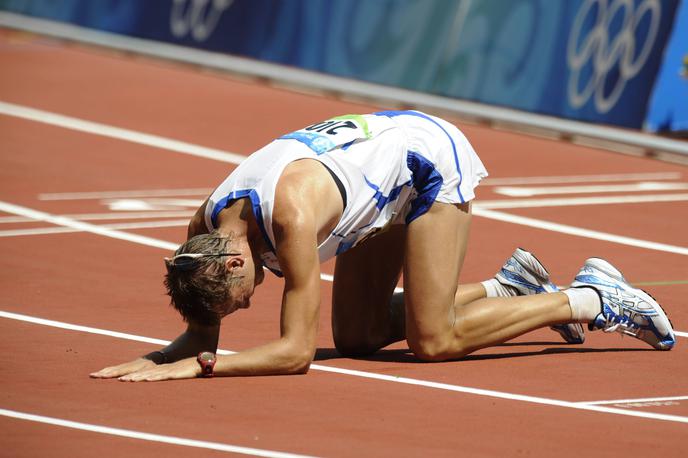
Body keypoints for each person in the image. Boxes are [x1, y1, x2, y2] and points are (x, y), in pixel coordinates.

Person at [90, 110, 676, 382]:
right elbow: (202, 331)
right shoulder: (204, 235)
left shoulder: (289, 220)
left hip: (423, 167)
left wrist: (205, 367)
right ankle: (509, 288)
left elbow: (294, 353)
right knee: (360, 337)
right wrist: (163, 356)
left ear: (238, 261)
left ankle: (591, 298)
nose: (244, 308)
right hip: (370, 191)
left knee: (433, 340)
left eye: (238, 299)